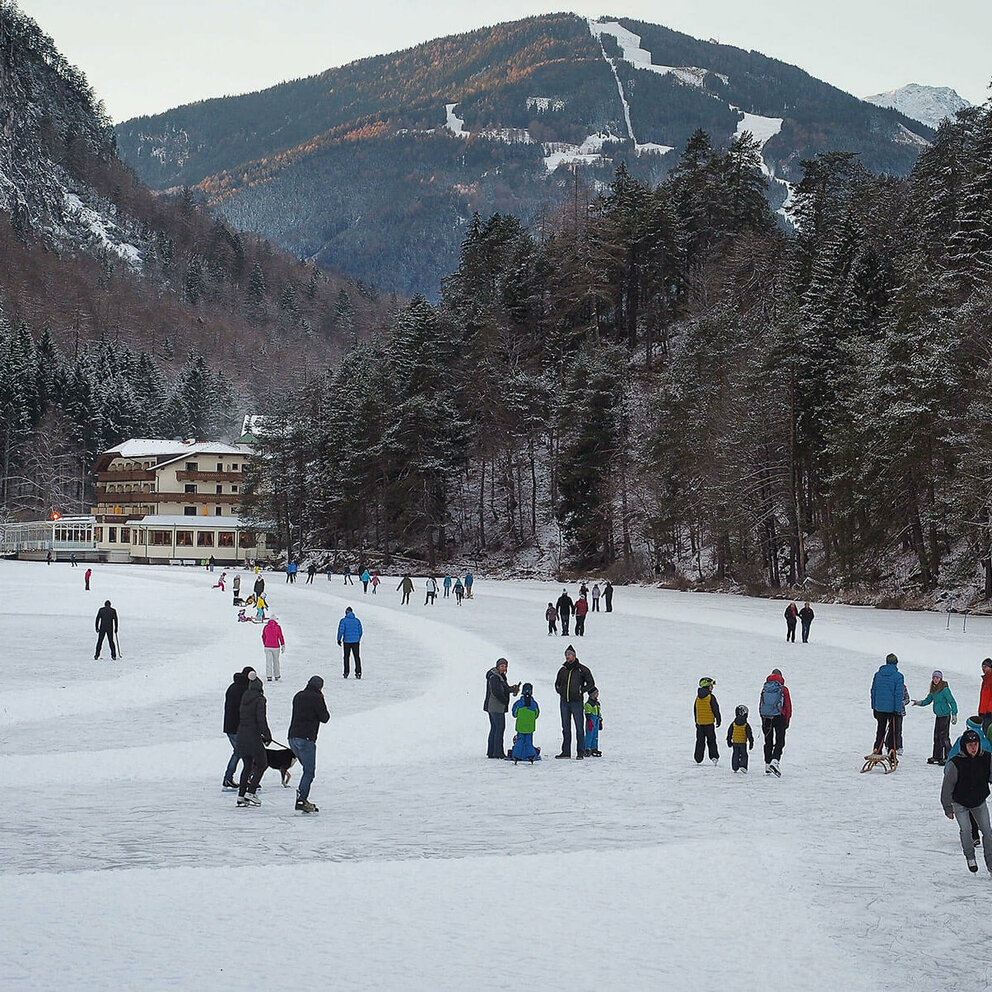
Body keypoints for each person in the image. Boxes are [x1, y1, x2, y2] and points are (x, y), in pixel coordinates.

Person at [941, 728, 992, 874]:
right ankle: (970, 857)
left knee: (988, 832)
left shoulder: (987, 758)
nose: (973, 748)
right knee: (966, 830)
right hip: (960, 802)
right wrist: (947, 808)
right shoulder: (956, 763)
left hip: (979, 800)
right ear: (964, 746)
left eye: (975, 744)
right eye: (970, 745)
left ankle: (991, 863)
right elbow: (946, 788)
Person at [288, 675, 330, 813]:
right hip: (306, 738)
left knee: (306, 769)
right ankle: (301, 800)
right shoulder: (317, 698)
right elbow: (325, 718)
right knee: (309, 771)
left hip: (292, 737)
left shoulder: (298, 695)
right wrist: (322, 700)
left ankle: (302, 798)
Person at [235, 671, 271, 806]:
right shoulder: (260, 699)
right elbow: (261, 719)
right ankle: (251, 791)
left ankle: (241, 796)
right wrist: (267, 735)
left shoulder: (245, 697)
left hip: (241, 735)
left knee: (247, 766)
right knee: (262, 764)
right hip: (253, 737)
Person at [554, 645, 595, 759]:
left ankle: (580, 752)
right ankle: (566, 752)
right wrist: (560, 691)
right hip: (564, 702)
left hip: (576, 702)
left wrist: (581, 690)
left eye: (569, 654)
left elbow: (591, 683)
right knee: (565, 728)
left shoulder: (582, 669)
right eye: (566, 655)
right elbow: (557, 683)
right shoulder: (562, 670)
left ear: (574, 655)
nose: (568, 657)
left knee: (579, 728)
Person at [913, 670, 958, 765]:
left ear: (941, 679)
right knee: (936, 736)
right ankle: (937, 756)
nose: (935, 679)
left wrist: (954, 714)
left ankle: (948, 756)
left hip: (945, 715)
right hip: (938, 716)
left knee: (944, 737)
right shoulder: (933, 689)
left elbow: (952, 702)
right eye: (934, 678)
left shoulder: (944, 689)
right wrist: (919, 703)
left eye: (937, 678)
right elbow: (928, 700)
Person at [223, 667, 255, 788]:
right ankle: (243, 778)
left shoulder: (232, 687)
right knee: (243, 753)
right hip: (238, 727)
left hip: (229, 726)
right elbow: (244, 711)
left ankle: (230, 778)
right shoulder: (244, 690)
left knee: (239, 752)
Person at [484, 658, 520, 758]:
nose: (504, 668)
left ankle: (491, 752)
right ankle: (498, 752)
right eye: (502, 666)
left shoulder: (500, 676)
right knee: (499, 728)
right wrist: (504, 700)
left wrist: (512, 689)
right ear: (498, 666)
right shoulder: (494, 677)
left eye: (505, 666)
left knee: (494, 728)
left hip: (494, 707)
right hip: (496, 707)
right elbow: (496, 692)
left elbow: (504, 689)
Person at [871, 653, 905, 755]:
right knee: (893, 733)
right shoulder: (898, 676)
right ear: (896, 663)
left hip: (879, 708)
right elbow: (898, 694)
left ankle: (877, 750)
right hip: (892, 710)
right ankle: (892, 754)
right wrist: (897, 710)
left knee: (880, 730)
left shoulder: (877, 675)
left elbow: (873, 691)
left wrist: (874, 707)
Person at [759, 669, 792, 775]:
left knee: (768, 741)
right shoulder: (783, 689)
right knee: (780, 740)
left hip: (766, 717)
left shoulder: (765, 689)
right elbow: (788, 706)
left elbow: (761, 704)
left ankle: (767, 765)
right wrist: (787, 720)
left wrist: (763, 718)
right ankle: (775, 761)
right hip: (779, 717)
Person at [693, 676, 721, 765]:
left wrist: (696, 721)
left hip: (700, 724)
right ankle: (714, 756)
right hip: (709, 723)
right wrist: (718, 719)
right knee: (711, 740)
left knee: (700, 741)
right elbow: (715, 709)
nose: (712, 688)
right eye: (711, 686)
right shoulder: (710, 697)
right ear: (707, 686)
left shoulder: (698, 698)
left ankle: (698, 758)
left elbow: (695, 710)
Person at [510, 682, 540, 762]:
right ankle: (531, 755)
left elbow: (514, 714)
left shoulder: (518, 704)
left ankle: (516, 755)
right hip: (530, 726)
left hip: (520, 726)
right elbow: (536, 714)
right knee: (529, 741)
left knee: (519, 741)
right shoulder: (534, 704)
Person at [727, 704, 755, 775]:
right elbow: (749, 734)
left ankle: (735, 767)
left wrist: (729, 740)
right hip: (743, 742)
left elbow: (729, 732)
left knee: (735, 754)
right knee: (744, 754)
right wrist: (751, 742)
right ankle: (743, 766)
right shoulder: (746, 725)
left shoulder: (733, 724)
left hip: (735, 742)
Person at [337, 606, 363, 679]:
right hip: (356, 642)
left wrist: (339, 639)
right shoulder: (357, 620)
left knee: (346, 657)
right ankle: (358, 672)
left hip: (347, 641)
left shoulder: (343, 621)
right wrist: (358, 638)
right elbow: (360, 631)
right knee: (357, 657)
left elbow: (341, 631)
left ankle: (346, 672)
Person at [262, 616, 285, 680]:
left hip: (267, 647)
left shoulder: (266, 627)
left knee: (268, 661)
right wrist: (283, 644)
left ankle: (269, 676)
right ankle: (276, 675)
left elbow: (263, 636)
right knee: (276, 661)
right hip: (276, 647)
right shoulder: (278, 627)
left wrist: (265, 643)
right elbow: (280, 636)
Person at [584, 686, 603, 757]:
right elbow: (587, 712)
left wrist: (600, 720)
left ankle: (594, 748)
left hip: (596, 720)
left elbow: (599, 712)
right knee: (589, 734)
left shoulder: (597, 703)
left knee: (595, 735)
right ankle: (587, 748)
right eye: (596, 693)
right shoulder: (588, 704)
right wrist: (589, 720)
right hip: (591, 720)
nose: (597, 694)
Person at [979, 659, 992, 740]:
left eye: (985, 667)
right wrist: (981, 711)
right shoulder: (985, 680)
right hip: (984, 712)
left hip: (989, 713)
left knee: (989, 735)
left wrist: (989, 710)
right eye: (982, 667)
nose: (983, 669)